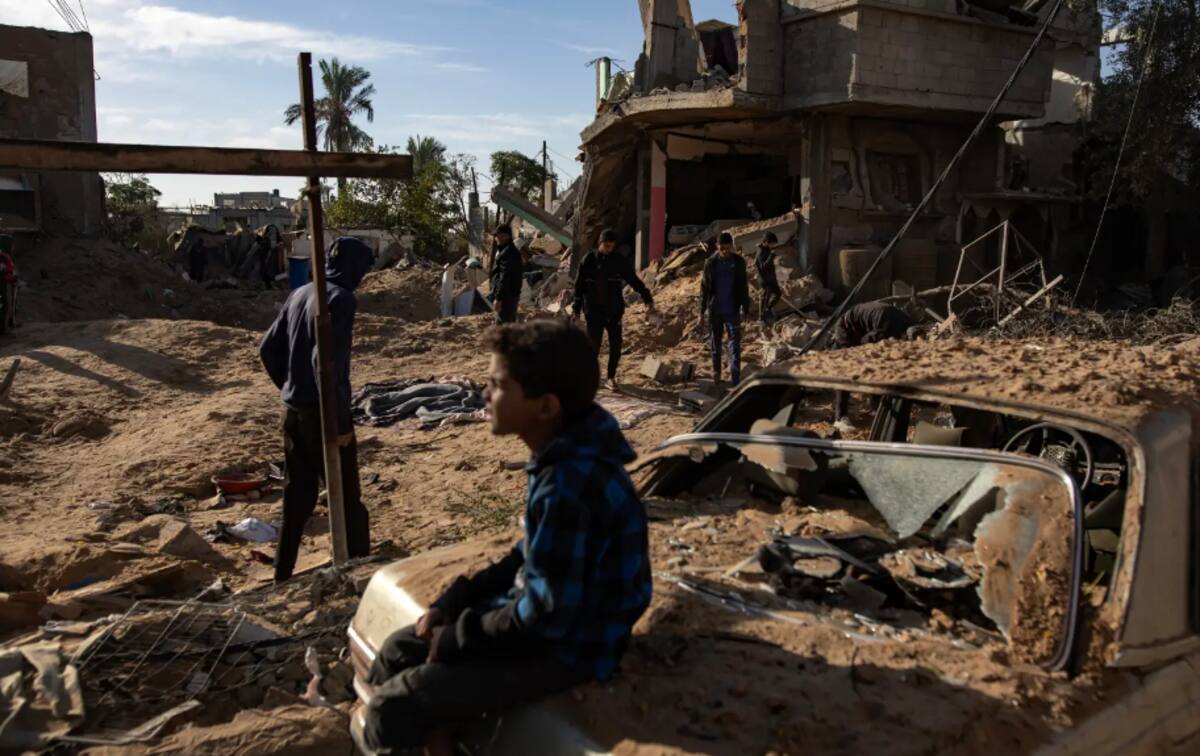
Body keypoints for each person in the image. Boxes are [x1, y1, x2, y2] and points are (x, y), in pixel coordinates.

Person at [362, 321, 652, 754]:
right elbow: (529, 553)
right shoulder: (562, 455)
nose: (485, 394)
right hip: (545, 624)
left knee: (392, 707)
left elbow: (544, 617)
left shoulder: (570, 484)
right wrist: (458, 598)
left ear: (545, 407)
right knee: (396, 651)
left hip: (572, 647)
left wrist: (461, 636)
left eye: (498, 385)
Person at [260, 237, 373, 583]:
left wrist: (292, 388)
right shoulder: (340, 300)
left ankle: (282, 572)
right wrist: (339, 423)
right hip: (321, 414)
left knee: (298, 496)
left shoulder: (300, 293)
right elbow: (328, 366)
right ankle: (359, 573)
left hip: (292, 411)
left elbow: (268, 349)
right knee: (349, 502)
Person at [572, 228, 656, 389]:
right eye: (606, 246)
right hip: (593, 311)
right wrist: (576, 309)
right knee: (593, 346)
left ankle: (611, 377)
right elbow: (579, 286)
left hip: (613, 311)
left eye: (611, 246)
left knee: (615, 345)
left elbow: (633, 280)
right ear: (599, 244)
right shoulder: (588, 260)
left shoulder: (618, 261)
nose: (609, 249)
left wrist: (647, 297)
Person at [829, 302, 916, 425]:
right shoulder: (888, 330)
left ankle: (875, 407)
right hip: (848, 328)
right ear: (905, 336)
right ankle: (840, 417)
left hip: (867, 326)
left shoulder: (908, 325)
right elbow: (865, 343)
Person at [699, 232, 750, 385]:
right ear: (717, 246)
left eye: (728, 248)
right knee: (716, 342)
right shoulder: (710, 263)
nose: (726, 251)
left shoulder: (739, 262)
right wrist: (701, 312)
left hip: (732, 309)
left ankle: (735, 376)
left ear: (732, 246)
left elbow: (743, 286)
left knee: (734, 343)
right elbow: (705, 288)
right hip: (715, 309)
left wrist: (745, 308)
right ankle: (717, 372)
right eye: (722, 248)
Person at [489, 225, 523, 324]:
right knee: (507, 326)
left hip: (507, 297)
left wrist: (499, 298)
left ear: (506, 236)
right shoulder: (508, 251)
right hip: (510, 296)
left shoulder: (508, 253)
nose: (496, 239)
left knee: (503, 327)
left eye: (498, 235)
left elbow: (505, 277)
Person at [755, 232, 783, 325]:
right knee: (764, 299)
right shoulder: (761, 252)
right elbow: (763, 267)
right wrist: (771, 256)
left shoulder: (767, 250)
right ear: (766, 242)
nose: (773, 245)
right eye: (772, 243)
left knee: (777, 293)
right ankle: (761, 318)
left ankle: (768, 309)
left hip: (771, 279)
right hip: (765, 280)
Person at [0, 234, 16, 333]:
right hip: (4, 284)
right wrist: (12, 278)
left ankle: (8, 323)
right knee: (6, 304)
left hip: (7, 283)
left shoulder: (5, 257)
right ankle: (3, 327)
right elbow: (6, 271)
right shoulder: (3, 257)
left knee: (8, 304)